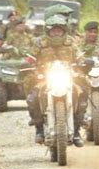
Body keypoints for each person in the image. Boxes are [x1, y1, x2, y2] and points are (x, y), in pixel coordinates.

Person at [25, 15, 87, 147]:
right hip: (45, 78)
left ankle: (76, 132)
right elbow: (30, 58)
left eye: (59, 31)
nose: (56, 33)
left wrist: (83, 63)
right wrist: (27, 64)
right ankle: (39, 130)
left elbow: (80, 56)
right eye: (53, 31)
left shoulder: (71, 42)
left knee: (82, 95)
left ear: (64, 31)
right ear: (47, 32)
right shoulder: (40, 42)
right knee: (32, 98)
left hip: (68, 76)